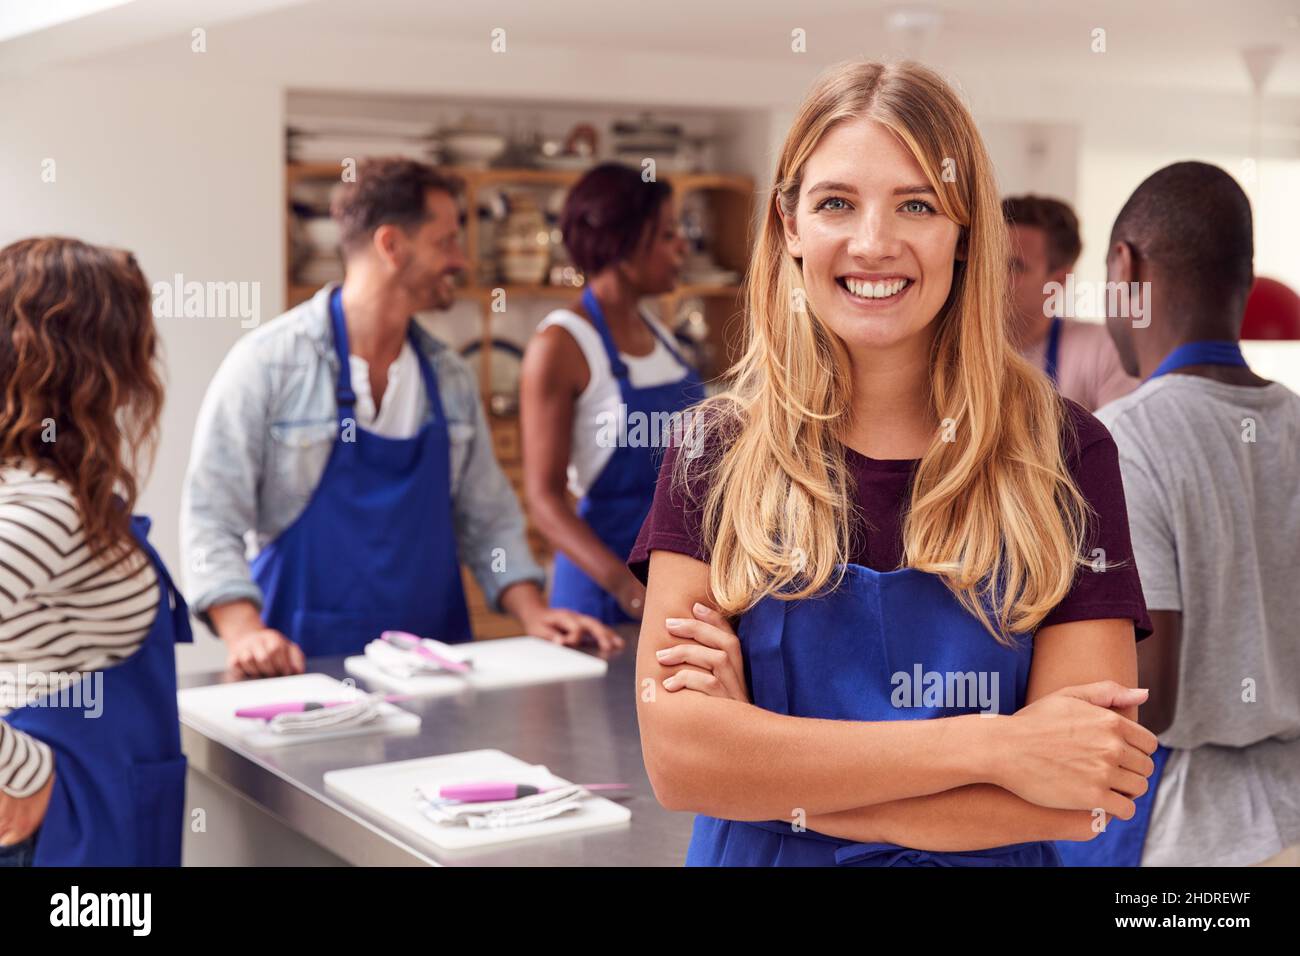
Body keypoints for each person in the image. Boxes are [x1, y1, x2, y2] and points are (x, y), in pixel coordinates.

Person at [630, 60, 1159, 867]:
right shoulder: (715, 449)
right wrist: (993, 750)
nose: (874, 243)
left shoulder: (1068, 454)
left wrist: (774, 781)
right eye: (836, 202)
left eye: (917, 204)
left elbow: (1081, 791)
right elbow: (680, 763)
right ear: (789, 227)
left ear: (965, 231)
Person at [182, 158, 619, 677]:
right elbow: (211, 516)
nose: (460, 261)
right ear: (391, 245)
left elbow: (488, 516)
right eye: (447, 242)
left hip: (434, 672)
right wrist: (243, 631)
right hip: (301, 672)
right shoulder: (268, 365)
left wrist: (533, 611)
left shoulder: (450, 377)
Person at [1060, 161, 1300, 867]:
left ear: (1123, 264)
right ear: (1246, 280)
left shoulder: (1126, 440)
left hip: (1193, 841)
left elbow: (1146, 700)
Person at [0, 237, 188, 866]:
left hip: (99, 815)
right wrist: (24, 773)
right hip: (60, 835)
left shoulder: (49, 484)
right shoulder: (43, 506)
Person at [521, 163, 702, 625]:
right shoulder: (560, 346)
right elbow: (544, 500)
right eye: (666, 234)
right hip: (603, 600)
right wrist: (629, 589)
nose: (682, 245)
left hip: (673, 591)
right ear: (623, 246)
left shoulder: (661, 336)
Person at [1003, 195, 1138, 411]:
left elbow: (1120, 442)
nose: (990, 275)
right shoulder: (945, 347)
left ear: (1058, 280)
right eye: (988, 260)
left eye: (1013, 267)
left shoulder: (1102, 351)